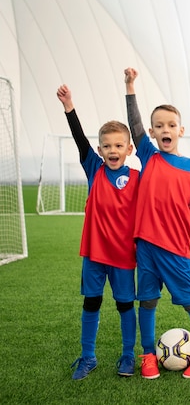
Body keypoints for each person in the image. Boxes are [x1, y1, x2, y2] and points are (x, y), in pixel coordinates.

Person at [124, 68, 190, 380]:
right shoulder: (148, 155)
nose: (164, 129)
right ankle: (147, 356)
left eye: (170, 125)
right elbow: (134, 124)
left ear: (180, 130)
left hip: (175, 250)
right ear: (153, 134)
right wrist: (130, 87)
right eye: (159, 126)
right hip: (146, 246)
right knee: (147, 301)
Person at [57, 84, 139, 380]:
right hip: (94, 254)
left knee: (125, 305)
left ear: (129, 149)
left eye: (118, 146)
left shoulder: (138, 178)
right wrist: (69, 106)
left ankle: (128, 356)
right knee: (91, 303)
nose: (112, 150)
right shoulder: (94, 168)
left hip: (123, 255)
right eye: (106, 146)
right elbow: (80, 140)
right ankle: (88, 357)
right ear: (100, 149)